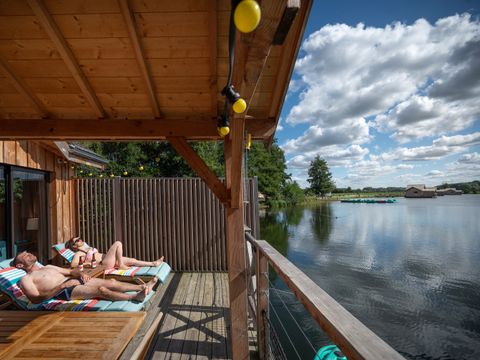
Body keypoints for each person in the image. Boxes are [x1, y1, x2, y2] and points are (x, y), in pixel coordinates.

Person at [13, 251, 157, 304]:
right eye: (24, 256)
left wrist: (80, 273)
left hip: (73, 280)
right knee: (101, 289)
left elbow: (70, 272)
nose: (29, 254)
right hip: (63, 290)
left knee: (111, 282)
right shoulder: (25, 280)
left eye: (28, 252)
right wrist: (61, 287)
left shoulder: (48, 267)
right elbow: (35, 299)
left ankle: (142, 286)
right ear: (20, 266)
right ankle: (134, 298)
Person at [65, 238, 164, 270]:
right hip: (103, 264)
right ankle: (120, 265)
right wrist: (87, 264)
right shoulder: (78, 253)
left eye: (79, 238)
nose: (80, 240)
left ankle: (154, 263)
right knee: (118, 243)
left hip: (108, 259)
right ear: (74, 246)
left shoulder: (87, 247)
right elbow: (73, 265)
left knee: (132, 260)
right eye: (77, 240)